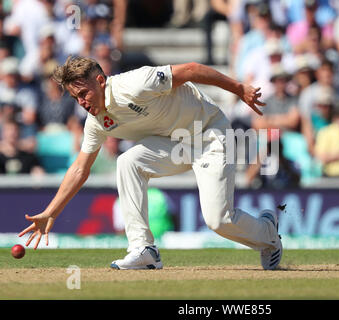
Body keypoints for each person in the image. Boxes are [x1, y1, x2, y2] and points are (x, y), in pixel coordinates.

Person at [18, 56, 283, 271]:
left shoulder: (135, 83)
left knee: (218, 221)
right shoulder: (96, 123)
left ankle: (268, 233)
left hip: (210, 133)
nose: (82, 103)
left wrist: (239, 89)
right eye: (76, 99)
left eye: (84, 94)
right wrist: (51, 212)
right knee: (128, 162)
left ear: (101, 81)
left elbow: (191, 69)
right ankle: (143, 249)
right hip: (175, 143)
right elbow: (80, 169)